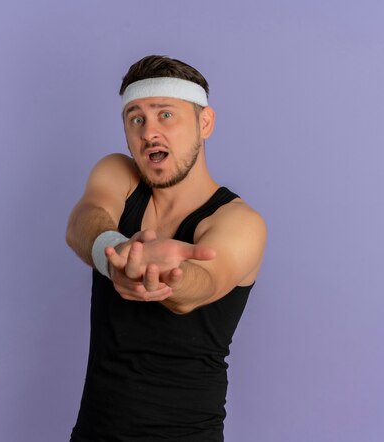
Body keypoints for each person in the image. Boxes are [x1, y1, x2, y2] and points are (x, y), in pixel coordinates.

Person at [66, 55, 267, 441]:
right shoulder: (118, 174)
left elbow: (204, 282)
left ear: (204, 122)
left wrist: (167, 277)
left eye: (166, 115)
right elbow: (83, 221)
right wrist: (116, 255)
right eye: (136, 118)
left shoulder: (240, 223)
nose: (149, 133)